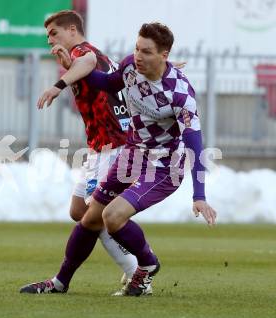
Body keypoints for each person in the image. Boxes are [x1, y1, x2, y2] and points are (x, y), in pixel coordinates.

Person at [20, 22, 217, 296]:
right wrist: (70, 70)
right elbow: (105, 83)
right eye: (137, 49)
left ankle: (146, 265)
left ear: (164, 54)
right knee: (90, 219)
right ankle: (60, 282)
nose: (138, 56)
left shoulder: (180, 94)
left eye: (146, 52)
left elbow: (195, 144)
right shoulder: (130, 67)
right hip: (131, 155)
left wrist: (199, 195)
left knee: (112, 217)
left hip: (163, 168)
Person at [36, 10, 138, 294]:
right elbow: (90, 70)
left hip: (113, 147)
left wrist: (58, 85)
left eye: (53, 33)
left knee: (96, 216)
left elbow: (87, 60)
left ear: (72, 30)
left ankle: (137, 269)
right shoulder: (84, 59)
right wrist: (70, 68)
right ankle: (135, 260)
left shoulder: (87, 51)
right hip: (100, 149)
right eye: (47, 36)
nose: (49, 40)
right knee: (79, 209)